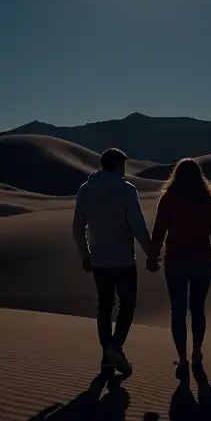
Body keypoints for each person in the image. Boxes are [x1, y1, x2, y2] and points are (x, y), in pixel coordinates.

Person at [147, 158, 211, 378]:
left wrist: (152, 256)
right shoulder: (207, 201)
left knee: (178, 310)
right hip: (202, 262)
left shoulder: (168, 200)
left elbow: (159, 231)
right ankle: (197, 352)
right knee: (197, 308)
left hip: (175, 261)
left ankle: (183, 359)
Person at [72, 148, 153, 376]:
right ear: (117, 165)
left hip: (99, 260)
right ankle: (115, 346)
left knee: (104, 308)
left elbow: (78, 226)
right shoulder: (126, 190)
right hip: (124, 261)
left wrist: (85, 254)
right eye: (123, 164)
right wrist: (150, 252)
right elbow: (137, 225)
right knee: (127, 305)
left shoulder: (85, 190)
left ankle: (107, 356)